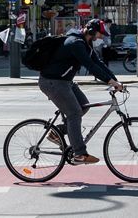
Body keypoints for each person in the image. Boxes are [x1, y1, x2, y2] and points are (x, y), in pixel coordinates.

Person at [38, 19, 123, 164]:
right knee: (74, 113)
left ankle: (56, 133)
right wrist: (110, 82)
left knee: (84, 106)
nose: (99, 37)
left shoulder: (85, 43)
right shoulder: (75, 43)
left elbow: (98, 63)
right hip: (53, 82)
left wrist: (116, 81)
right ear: (90, 31)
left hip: (65, 81)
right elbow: (90, 66)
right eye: (98, 34)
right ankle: (79, 154)